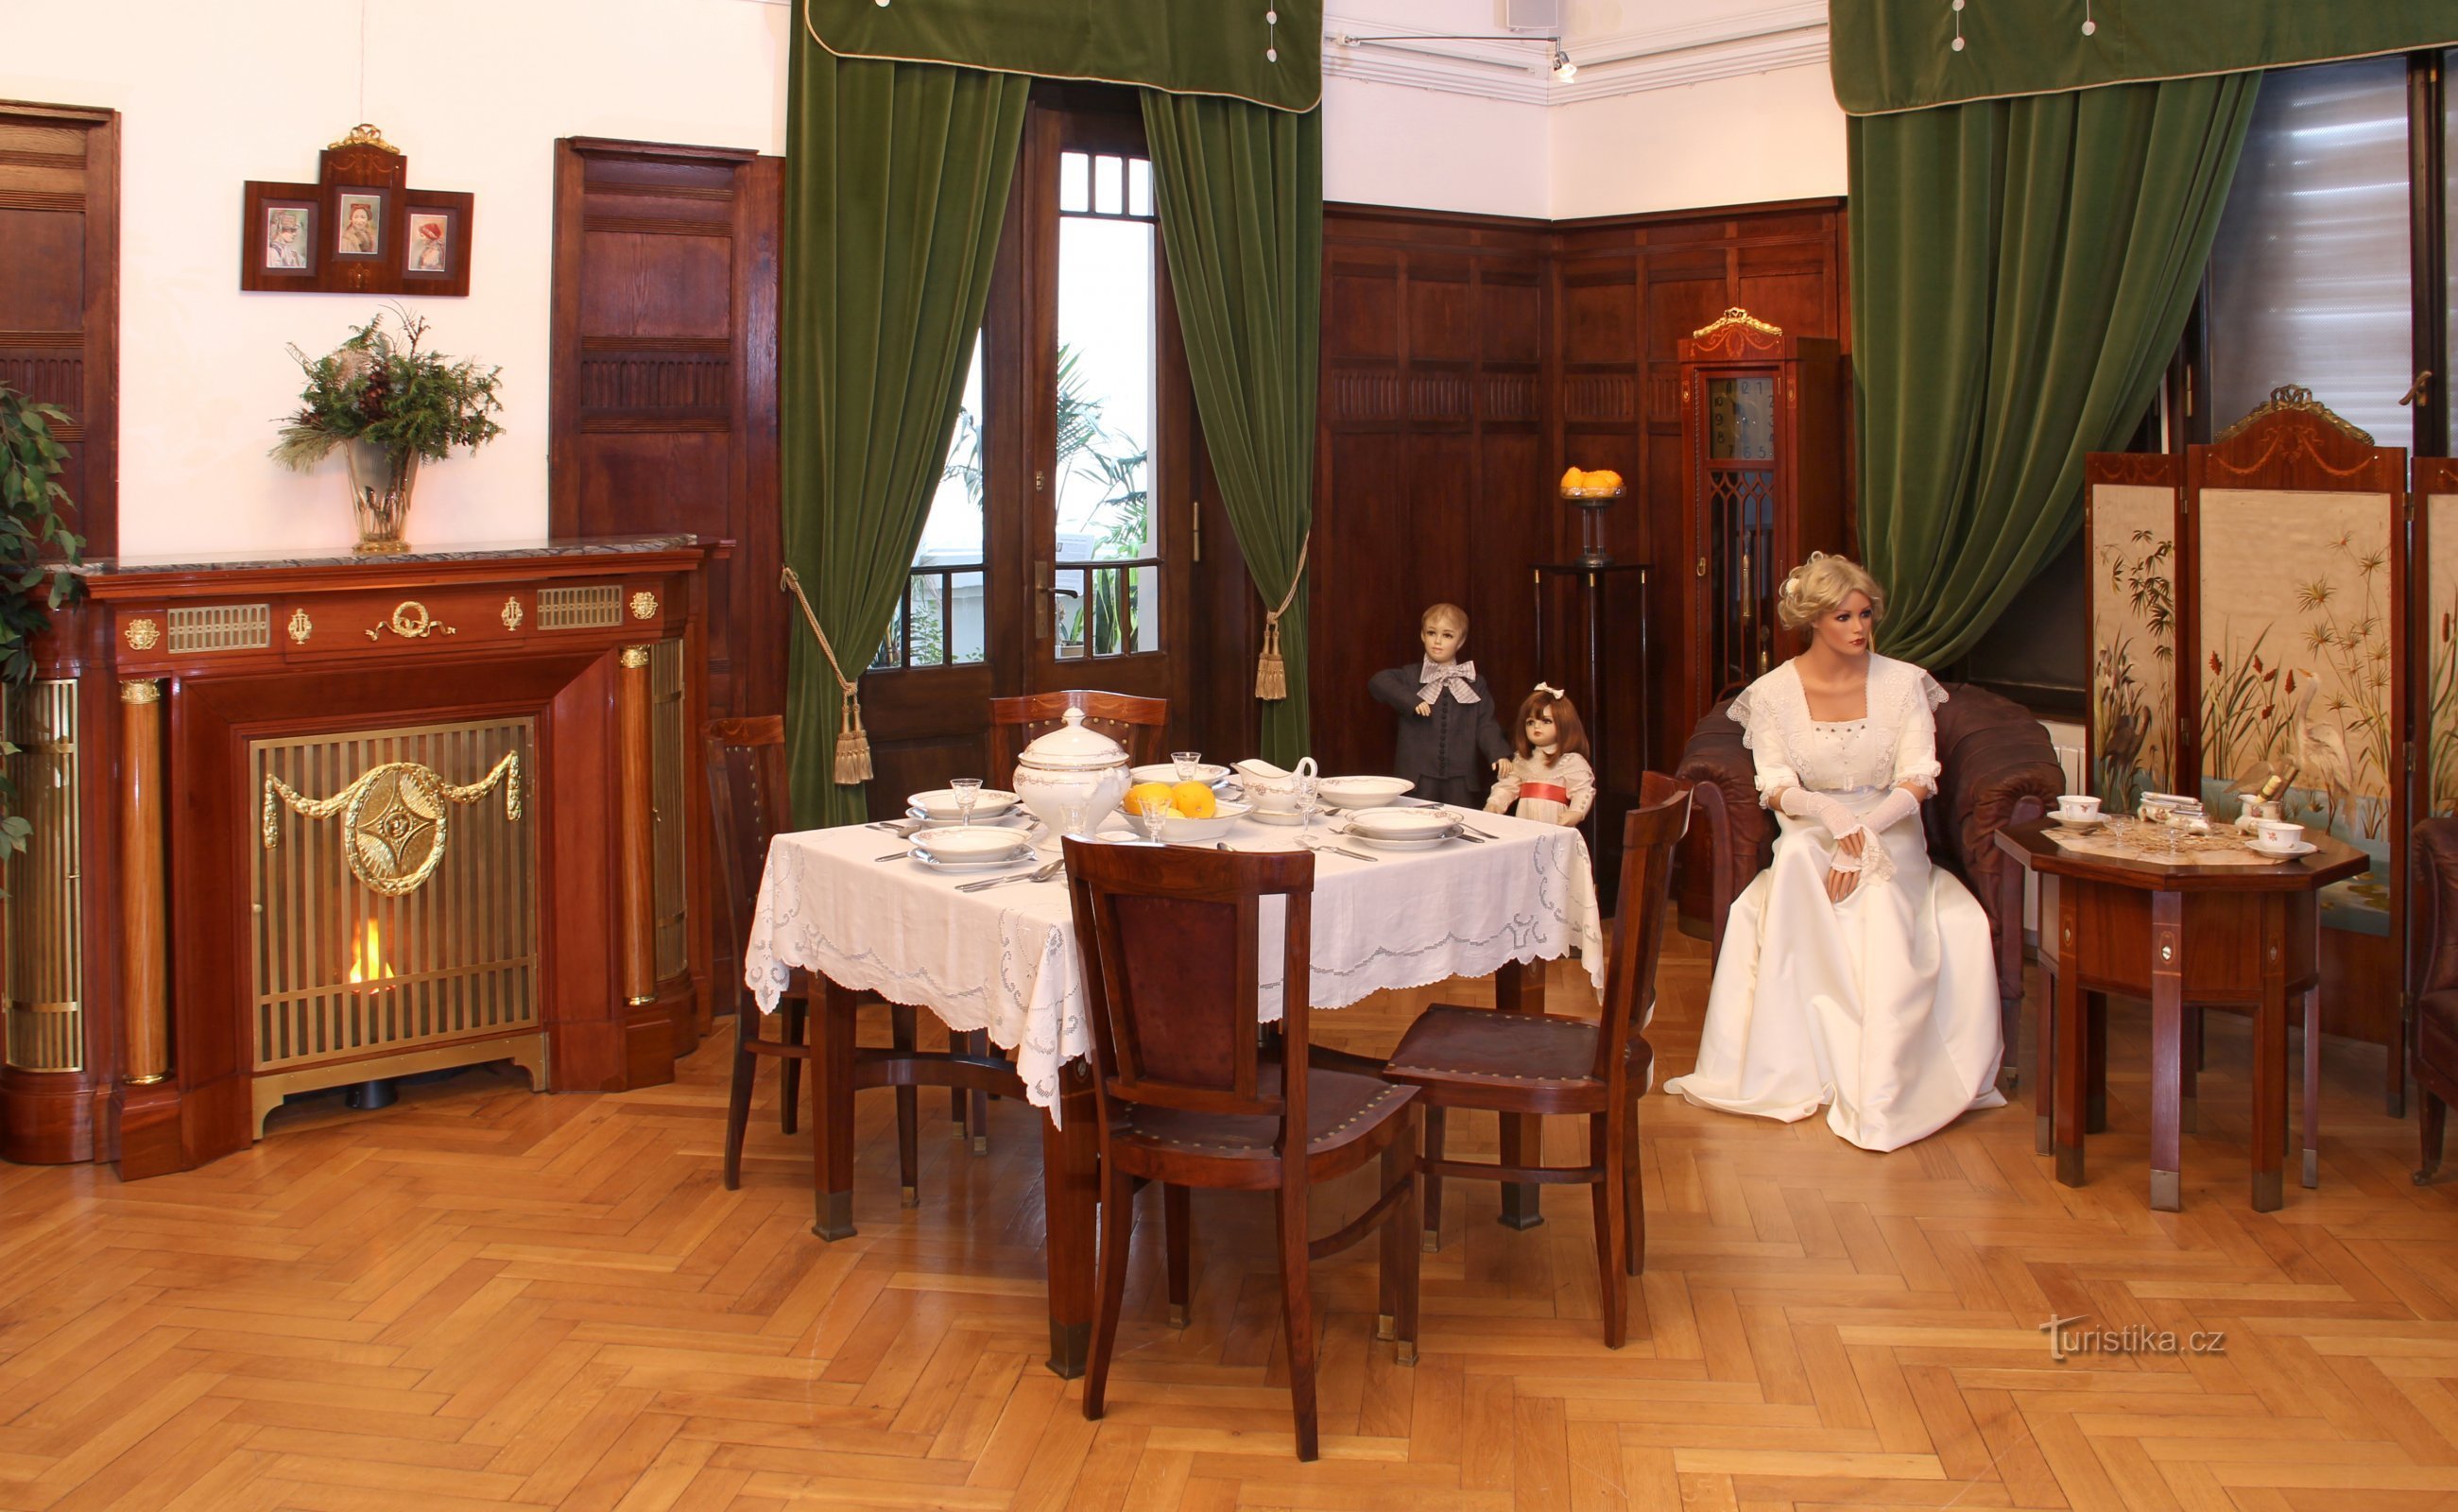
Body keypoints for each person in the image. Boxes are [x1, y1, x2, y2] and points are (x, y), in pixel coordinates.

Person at [1663, 554, 2006, 1151]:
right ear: (1813, 620)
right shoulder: (1771, 694)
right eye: (1843, 616)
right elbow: (1774, 783)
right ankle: (1800, 1059)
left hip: (1891, 824)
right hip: (1810, 823)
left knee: (1875, 890)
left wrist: (1865, 834)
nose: (1858, 628)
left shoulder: (1905, 684)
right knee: (1797, 861)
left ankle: (1882, 1078)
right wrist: (1829, 815)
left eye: (1865, 614)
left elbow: (1919, 779)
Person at [1367, 601, 1511, 808]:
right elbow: (1378, 681)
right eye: (1432, 633)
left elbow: (1485, 723)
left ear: (1460, 642)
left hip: (1461, 777)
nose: (1438, 641)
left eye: (1447, 635)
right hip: (1418, 776)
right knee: (1414, 821)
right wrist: (1411, 700)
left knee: (1462, 823)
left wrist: (1497, 752)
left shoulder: (1475, 683)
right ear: (1423, 636)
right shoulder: (1410, 676)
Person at [1487, 682, 1595, 827]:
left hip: (1555, 821)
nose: (1537, 727)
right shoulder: (1521, 760)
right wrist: (1494, 804)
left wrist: (1575, 812)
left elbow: (1583, 790)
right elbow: (1507, 787)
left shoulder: (1570, 761)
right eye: (1530, 722)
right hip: (1525, 822)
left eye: (1546, 721)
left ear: (1564, 724)